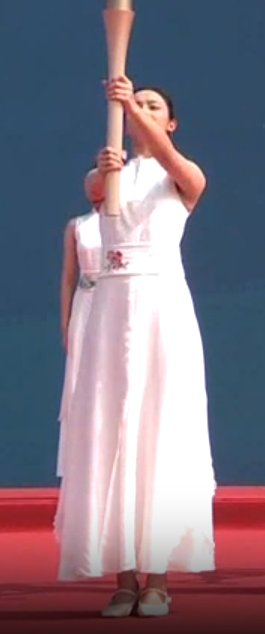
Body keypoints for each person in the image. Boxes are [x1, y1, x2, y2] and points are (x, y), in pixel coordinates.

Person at [55, 77, 215, 618]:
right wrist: (106, 169)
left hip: (162, 309)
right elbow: (93, 189)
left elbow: (171, 160)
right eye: (136, 102)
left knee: (158, 431)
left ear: (171, 121)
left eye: (153, 105)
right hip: (110, 313)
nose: (141, 109)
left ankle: (158, 577)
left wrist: (127, 105)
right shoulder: (108, 176)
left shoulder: (184, 176)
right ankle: (123, 576)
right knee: (113, 431)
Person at [55, 185, 102, 481]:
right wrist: (66, 322)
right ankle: (78, 464)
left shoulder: (123, 223)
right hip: (85, 304)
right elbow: (68, 278)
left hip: (113, 301)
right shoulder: (77, 226)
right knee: (79, 379)